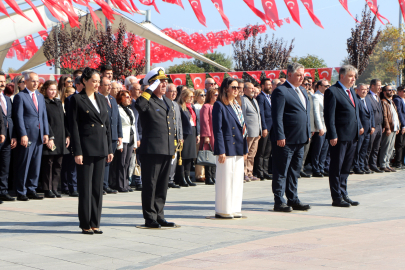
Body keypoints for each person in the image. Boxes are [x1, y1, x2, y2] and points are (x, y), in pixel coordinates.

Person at [69, 67, 113, 234]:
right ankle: (85, 223)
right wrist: (77, 151)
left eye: (98, 81)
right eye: (93, 81)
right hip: (86, 148)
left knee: (97, 188)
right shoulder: (77, 99)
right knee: (86, 187)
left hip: (101, 147)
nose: (96, 84)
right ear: (84, 81)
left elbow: (107, 126)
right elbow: (74, 127)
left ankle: (96, 222)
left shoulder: (101, 99)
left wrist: (109, 148)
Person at [135, 67, 177, 228]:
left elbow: (170, 125)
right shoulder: (148, 100)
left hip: (166, 149)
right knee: (150, 184)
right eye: (160, 82)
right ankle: (149, 216)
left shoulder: (167, 101)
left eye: (165, 81)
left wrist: (172, 146)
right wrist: (149, 89)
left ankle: (160, 215)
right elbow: (139, 105)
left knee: (162, 185)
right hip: (151, 149)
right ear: (152, 84)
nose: (164, 84)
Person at [271, 63, 311, 212]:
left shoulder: (302, 90)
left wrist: (308, 131)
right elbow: (277, 116)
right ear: (289, 75)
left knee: (294, 171)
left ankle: (293, 199)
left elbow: (305, 113)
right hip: (286, 140)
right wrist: (280, 135)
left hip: (300, 138)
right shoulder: (281, 91)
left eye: (303, 75)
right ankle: (279, 200)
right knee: (281, 171)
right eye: (298, 75)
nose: (302, 78)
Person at [324, 65, 363, 207]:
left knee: (346, 167)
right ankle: (336, 197)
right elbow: (329, 116)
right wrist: (332, 134)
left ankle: (343, 193)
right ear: (342, 76)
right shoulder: (332, 92)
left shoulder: (351, 91)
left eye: (354, 77)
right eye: (351, 76)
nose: (353, 79)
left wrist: (359, 127)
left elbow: (355, 111)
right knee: (336, 167)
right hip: (339, 137)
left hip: (352, 135)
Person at [212, 78, 248, 219]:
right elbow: (218, 129)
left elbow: (242, 128)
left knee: (237, 179)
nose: (236, 90)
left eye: (238, 87)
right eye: (233, 87)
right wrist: (221, 150)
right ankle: (223, 209)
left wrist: (245, 149)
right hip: (227, 146)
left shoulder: (237, 104)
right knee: (225, 179)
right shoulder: (220, 105)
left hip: (238, 145)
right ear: (226, 88)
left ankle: (235, 207)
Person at [13, 71, 49, 201]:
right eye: (33, 81)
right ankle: (21, 190)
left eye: (37, 81)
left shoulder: (39, 96)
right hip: (27, 135)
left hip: (39, 135)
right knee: (24, 163)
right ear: (25, 82)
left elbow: (43, 116)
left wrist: (46, 133)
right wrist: (23, 134)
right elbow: (19, 117)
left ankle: (31, 189)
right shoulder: (20, 97)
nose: (35, 83)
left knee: (35, 164)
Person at [40, 80, 70, 198]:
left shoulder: (58, 102)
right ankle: (47, 188)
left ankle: (55, 187)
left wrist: (67, 135)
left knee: (58, 164)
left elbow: (64, 120)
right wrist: (50, 136)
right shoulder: (44, 102)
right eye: (50, 89)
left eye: (54, 89)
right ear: (45, 90)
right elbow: (45, 121)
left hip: (61, 137)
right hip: (51, 137)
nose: (53, 92)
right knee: (49, 164)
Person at [98, 77, 122, 194]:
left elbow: (117, 119)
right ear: (100, 86)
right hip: (102, 135)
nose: (109, 87)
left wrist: (119, 135)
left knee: (109, 161)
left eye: (110, 85)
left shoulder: (112, 99)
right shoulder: (98, 99)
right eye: (107, 85)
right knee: (101, 161)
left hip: (113, 135)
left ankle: (105, 184)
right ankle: (99, 185)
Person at [61, 76, 83, 197]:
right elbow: (70, 119)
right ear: (78, 84)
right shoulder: (71, 99)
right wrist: (69, 134)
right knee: (73, 162)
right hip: (74, 133)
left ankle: (80, 185)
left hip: (85, 134)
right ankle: (72, 187)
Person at [177, 89, 200, 187]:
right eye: (190, 96)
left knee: (190, 157)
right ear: (184, 96)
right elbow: (180, 122)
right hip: (185, 133)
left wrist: (197, 134)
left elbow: (196, 121)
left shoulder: (192, 107)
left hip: (192, 132)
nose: (192, 98)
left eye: (193, 97)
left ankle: (187, 176)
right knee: (183, 156)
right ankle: (181, 177)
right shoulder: (180, 107)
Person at [115, 90, 137, 192]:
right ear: (121, 98)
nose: (129, 99)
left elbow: (133, 126)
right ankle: (120, 184)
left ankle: (126, 183)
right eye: (126, 97)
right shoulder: (118, 109)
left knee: (128, 162)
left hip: (131, 138)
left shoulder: (130, 110)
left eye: (129, 97)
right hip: (123, 138)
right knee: (121, 162)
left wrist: (136, 142)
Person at [0, 71, 17, 202]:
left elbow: (10, 118)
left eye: (3, 81)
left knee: (5, 165)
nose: (2, 84)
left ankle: (3, 190)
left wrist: (14, 135)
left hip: (8, 137)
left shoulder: (6, 98)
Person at [352, 84, 375, 174]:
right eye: (362, 89)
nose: (364, 91)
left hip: (368, 129)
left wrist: (372, 126)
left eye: (366, 89)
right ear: (357, 90)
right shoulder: (356, 100)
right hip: (360, 130)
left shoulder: (368, 100)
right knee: (358, 149)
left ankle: (362, 165)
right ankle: (356, 166)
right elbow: (356, 115)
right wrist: (360, 126)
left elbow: (371, 113)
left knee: (364, 149)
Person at [241, 82, 261, 182]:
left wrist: (260, 131)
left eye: (254, 88)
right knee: (246, 153)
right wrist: (245, 131)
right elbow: (243, 117)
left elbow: (258, 116)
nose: (253, 90)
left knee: (252, 154)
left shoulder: (254, 100)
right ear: (245, 90)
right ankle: (244, 173)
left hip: (256, 132)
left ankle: (250, 172)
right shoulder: (243, 100)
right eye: (251, 88)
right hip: (248, 131)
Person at [254, 78, 272, 181]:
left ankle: (265, 171)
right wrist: (264, 127)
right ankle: (260, 172)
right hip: (266, 128)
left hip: (271, 128)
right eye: (268, 85)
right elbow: (262, 114)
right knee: (261, 151)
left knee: (267, 152)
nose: (270, 86)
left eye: (270, 84)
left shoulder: (270, 97)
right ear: (262, 86)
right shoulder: (261, 97)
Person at [312, 79, 331, 177]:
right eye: (326, 86)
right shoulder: (316, 96)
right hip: (321, 127)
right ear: (319, 87)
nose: (328, 88)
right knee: (318, 149)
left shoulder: (327, 96)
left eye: (328, 86)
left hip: (328, 126)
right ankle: (316, 169)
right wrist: (320, 127)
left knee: (325, 149)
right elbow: (316, 113)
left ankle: (321, 167)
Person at [199, 88, 218, 185]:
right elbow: (204, 121)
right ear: (210, 96)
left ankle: (214, 176)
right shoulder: (206, 107)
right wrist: (206, 135)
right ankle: (208, 176)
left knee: (215, 154)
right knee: (208, 155)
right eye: (215, 95)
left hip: (216, 133)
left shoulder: (217, 106)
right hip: (210, 133)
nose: (217, 96)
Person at [379, 85, 400, 172]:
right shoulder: (384, 102)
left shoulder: (391, 102)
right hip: (389, 128)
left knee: (391, 147)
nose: (391, 91)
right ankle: (383, 164)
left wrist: (398, 126)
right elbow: (385, 117)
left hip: (394, 128)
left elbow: (395, 115)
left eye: (392, 90)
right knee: (386, 147)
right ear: (384, 92)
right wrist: (387, 128)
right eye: (389, 90)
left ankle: (387, 163)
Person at [165, 84, 182, 189]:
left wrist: (180, 136)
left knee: (174, 159)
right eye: (171, 91)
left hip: (176, 136)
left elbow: (179, 122)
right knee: (167, 159)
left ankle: (171, 179)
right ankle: (165, 179)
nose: (174, 93)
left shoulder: (176, 105)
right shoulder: (164, 103)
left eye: (175, 91)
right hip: (167, 136)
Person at [366, 79, 384, 173]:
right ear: (372, 86)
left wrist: (383, 125)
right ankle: (366, 165)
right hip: (372, 126)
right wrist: (371, 126)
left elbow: (381, 112)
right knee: (370, 146)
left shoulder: (378, 97)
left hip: (379, 126)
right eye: (378, 85)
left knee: (376, 147)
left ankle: (373, 164)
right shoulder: (368, 97)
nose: (380, 87)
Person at [128, 83, 143, 191]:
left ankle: (139, 180)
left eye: (140, 89)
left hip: (143, 134)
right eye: (137, 89)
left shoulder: (138, 102)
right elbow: (135, 123)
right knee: (135, 160)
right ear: (131, 91)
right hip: (136, 136)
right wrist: (137, 138)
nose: (139, 91)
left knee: (139, 160)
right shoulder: (133, 104)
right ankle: (138, 181)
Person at [300, 77, 315, 178]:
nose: (307, 86)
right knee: (299, 150)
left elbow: (312, 113)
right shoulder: (299, 95)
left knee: (306, 150)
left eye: (309, 84)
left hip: (309, 127)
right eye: (305, 84)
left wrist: (312, 127)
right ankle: (297, 169)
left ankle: (301, 168)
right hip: (300, 127)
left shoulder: (309, 95)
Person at [193, 89, 205, 182]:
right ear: (196, 97)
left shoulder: (204, 106)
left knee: (205, 153)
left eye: (204, 95)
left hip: (205, 133)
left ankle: (204, 173)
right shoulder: (196, 107)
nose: (203, 96)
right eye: (201, 95)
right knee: (199, 154)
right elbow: (197, 121)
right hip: (199, 133)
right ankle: (199, 174)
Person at [392, 86, 405, 169]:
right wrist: (403, 125)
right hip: (401, 125)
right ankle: (398, 162)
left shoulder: (403, 99)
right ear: (399, 91)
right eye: (404, 91)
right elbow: (399, 113)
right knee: (399, 144)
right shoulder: (397, 99)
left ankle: (402, 162)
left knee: (403, 144)